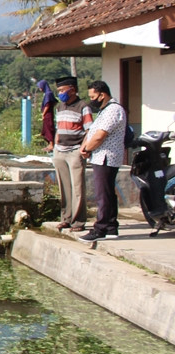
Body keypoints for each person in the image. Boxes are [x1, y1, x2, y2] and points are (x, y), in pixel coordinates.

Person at [78, 80, 127, 242]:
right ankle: (111, 227)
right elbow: (92, 132)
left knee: (103, 195)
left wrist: (87, 149)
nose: (92, 100)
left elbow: (100, 135)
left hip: (107, 157)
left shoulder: (113, 110)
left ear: (102, 94)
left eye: (93, 96)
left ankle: (100, 228)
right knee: (107, 193)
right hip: (100, 156)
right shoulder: (104, 110)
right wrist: (85, 147)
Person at [52, 77, 92, 231]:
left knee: (77, 187)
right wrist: (56, 146)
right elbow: (58, 128)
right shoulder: (60, 107)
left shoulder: (83, 107)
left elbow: (89, 130)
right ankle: (66, 218)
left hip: (75, 151)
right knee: (64, 187)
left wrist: (83, 148)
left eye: (63, 90)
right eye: (59, 91)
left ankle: (78, 221)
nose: (61, 94)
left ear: (73, 90)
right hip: (60, 151)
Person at [36, 79, 57, 151]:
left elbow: (47, 105)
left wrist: (43, 113)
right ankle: (49, 144)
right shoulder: (47, 93)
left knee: (49, 129)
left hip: (48, 114)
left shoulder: (48, 94)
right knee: (45, 129)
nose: (40, 89)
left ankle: (52, 144)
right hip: (48, 113)